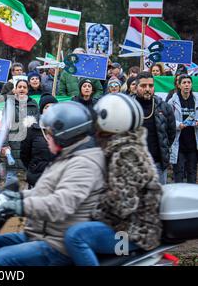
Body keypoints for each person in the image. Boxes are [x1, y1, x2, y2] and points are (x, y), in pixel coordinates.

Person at [0, 101, 105, 266]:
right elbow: (43, 191)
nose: (46, 138)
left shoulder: (83, 163)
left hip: (59, 243)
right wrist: (14, 197)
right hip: (42, 233)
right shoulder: (67, 156)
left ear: (65, 135)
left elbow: (60, 204)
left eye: (49, 133)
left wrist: (19, 206)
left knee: (4, 258)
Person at [64, 93, 163, 266]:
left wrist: (91, 212)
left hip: (130, 234)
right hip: (124, 226)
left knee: (75, 236)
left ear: (111, 120)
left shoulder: (126, 153)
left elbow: (123, 204)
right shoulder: (118, 148)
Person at [134, 72, 176, 184]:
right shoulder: (128, 107)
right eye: (143, 86)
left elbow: (171, 134)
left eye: (150, 86)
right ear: (136, 87)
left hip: (157, 163)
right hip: (134, 165)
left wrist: (164, 148)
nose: (147, 89)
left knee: (159, 199)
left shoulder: (164, 107)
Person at [2, 79, 39, 173]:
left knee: (28, 174)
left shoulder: (33, 104)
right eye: (19, 87)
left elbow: (37, 124)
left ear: (27, 90)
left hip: (29, 143)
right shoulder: (9, 104)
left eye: (24, 87)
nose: (22, 89)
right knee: (13, 175)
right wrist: (5, 144)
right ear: (15, 89)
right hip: (13, 143)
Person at [20, 93, 57, 187]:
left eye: (53, 106)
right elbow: (24, 154)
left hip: (56, 178)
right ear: (41, 111)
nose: (50, 109)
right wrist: (34, 167)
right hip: (37, 178)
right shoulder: (32, 129)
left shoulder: (62, 128)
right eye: (46, 107)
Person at [168, 74, 198, 183]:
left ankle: (191, 198)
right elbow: (168, 119)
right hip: (178, 143)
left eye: (189, 83)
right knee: (178, 173)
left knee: (192, 173)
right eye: (184, 83)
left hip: (193, 144)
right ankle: (178, 198)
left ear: (191, 85)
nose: (186, 85)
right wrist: (178, 125)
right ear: (179, 85)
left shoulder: (196, 99)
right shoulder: (172, 101)